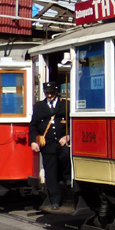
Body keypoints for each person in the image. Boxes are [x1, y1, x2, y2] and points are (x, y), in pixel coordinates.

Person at [30, 81, 72, 212]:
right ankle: (55, 200)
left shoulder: (65, 104)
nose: (49, 96)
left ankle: (67, 178)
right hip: (47, 145)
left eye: (51, 93)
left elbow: (72, 122)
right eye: (47, 93)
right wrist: (33, 141)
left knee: (66, 156)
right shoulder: (39, 106)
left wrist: (68, 136)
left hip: (62, 142)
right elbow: (33, 125)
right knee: (51, 172)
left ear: (56, 92)